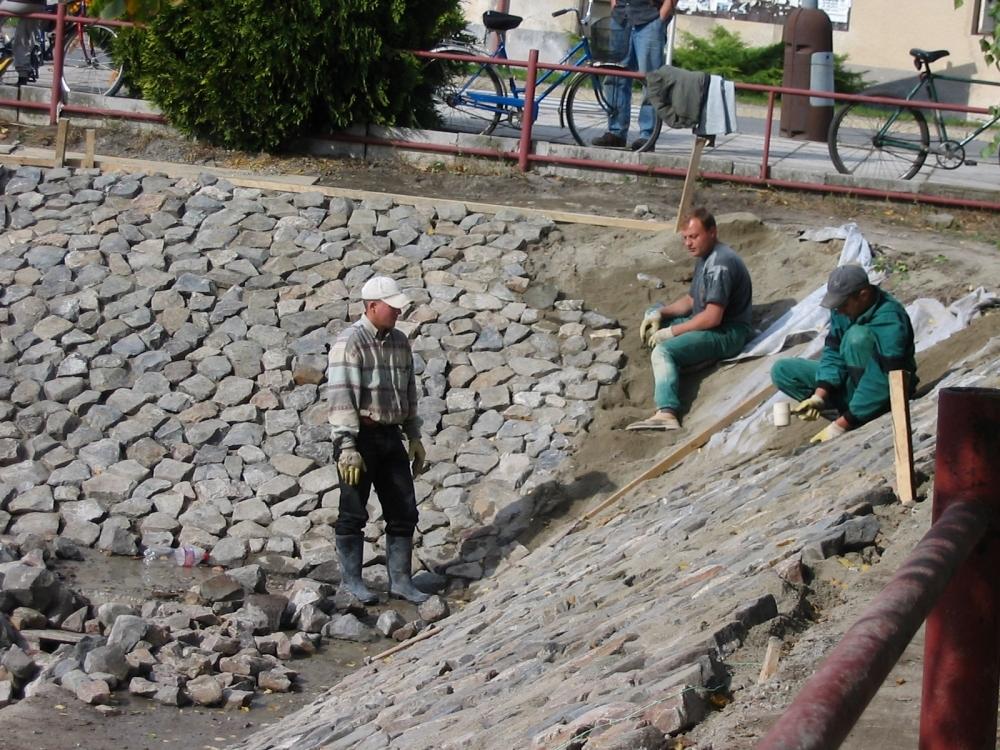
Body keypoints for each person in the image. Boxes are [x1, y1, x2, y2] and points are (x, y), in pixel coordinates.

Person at [327, 275, 429, 604]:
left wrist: (413, 435)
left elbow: (409, 390)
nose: (398, 312)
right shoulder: (350, 343)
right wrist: (346, 446)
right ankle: (351, 583)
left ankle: (400, 582)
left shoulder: (399, 342)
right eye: (392, 307)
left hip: (390, 435)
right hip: (359, 438)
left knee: (404, 511)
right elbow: (341, 397)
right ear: (372, 306)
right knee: (353, 512)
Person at [628, 207, 753, 430]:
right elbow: (692, 300)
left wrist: (672, 332)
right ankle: (686, 362)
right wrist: (660, 313)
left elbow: (712, 317)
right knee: (654, 322)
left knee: (663, 351)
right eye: (685, 238)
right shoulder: (705, 257)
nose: (688, 243)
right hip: (709, 323)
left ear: (712, 232)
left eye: (694, 236)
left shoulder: (720, 265)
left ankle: (667, 413)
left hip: (727, 332)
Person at [771, 264, 917, 444]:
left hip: (887, 392)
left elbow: (884, 379)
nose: (838, 310)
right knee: (782, 370)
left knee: (857, 337)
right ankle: (849, 414)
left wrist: (841, 425)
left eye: (843, 305)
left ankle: (856, 416)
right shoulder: (843, 310)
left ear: (863, 295)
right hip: (854, 382)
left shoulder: (890, 319)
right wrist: (819, 396)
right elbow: (833, 352)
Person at [592, 0, 677, 151]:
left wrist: (662, 15)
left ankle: (647, 135)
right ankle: (616, 132)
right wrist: (614, 5)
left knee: (651, 81)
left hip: (650, 18)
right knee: (614, 77)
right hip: (621, 17)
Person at [0, 1, 46, 86]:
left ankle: (2, 52)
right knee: (24, 37)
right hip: (39, 4)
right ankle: (22, 77)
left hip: (18, 2)